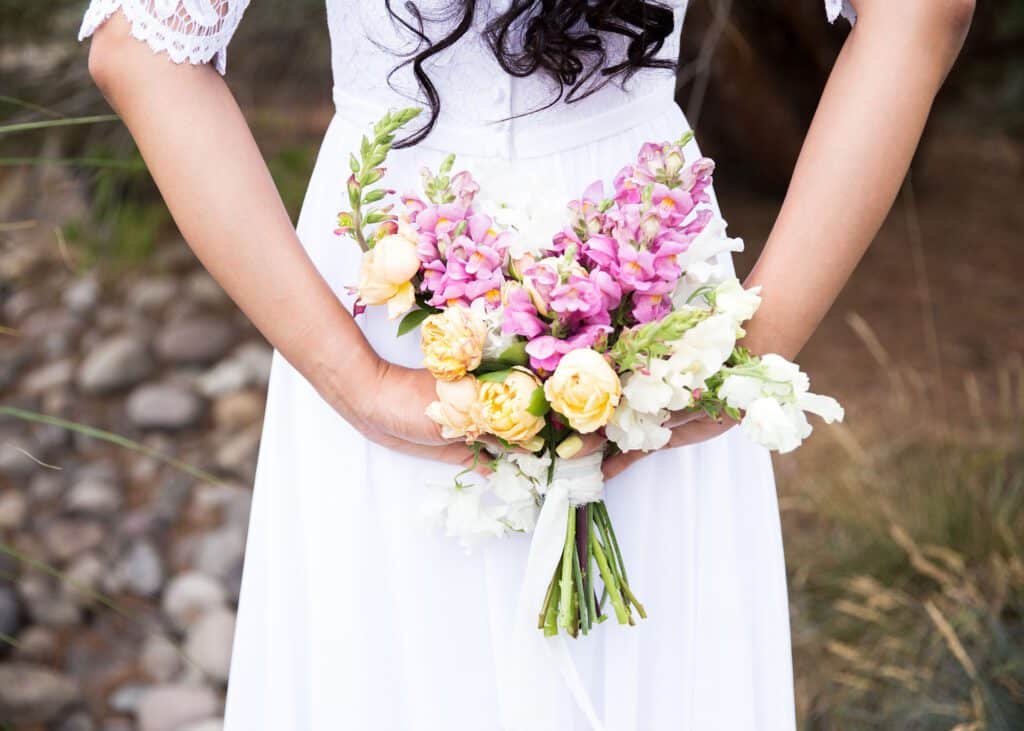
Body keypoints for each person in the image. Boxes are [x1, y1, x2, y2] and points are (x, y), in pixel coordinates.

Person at [81, 1, 973, 728]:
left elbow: (142, 46)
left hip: (394, 272)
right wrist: (749, 345)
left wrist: (356, 378)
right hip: (647, 248)